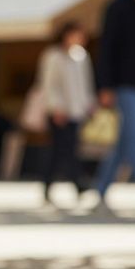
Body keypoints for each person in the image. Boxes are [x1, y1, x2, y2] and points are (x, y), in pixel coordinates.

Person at [95, 0, 135, 210]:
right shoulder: (118, 7)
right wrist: (105, 85)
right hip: (125, 84)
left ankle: (100, 190)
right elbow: (107, 48)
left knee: (124, 142)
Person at [36, 21, 95, 205]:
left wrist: (89, 105)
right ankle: (73, 184)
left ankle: (70, 184)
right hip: (59, 113)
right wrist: (55, 108)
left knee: (69, 149)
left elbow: (86, 83)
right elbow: (48, 84)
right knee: (60, 150)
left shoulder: (81, 56)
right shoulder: (53, 56)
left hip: (76, 111)